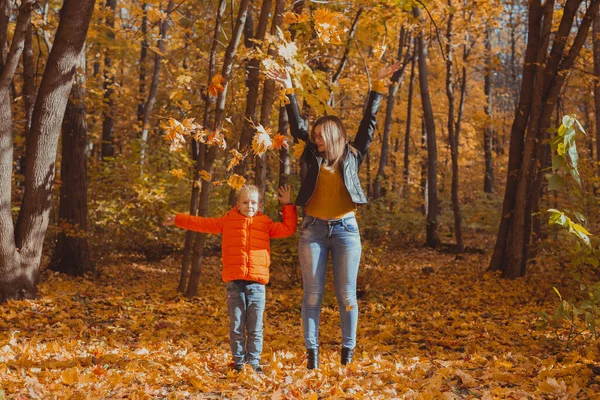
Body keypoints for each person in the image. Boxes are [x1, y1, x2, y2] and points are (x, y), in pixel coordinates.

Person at [268, 62, 401, 369]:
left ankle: (347, 354)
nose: (315, 140)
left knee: (347, 296)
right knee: (312, 296)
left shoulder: (354, 154)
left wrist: (378, 87)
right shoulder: (310, 154)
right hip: (313, 230)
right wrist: (287, 87)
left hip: (346, 231)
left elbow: (369, 122)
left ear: (334, 134)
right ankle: (312, 356)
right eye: (313, 136)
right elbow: (296, 121)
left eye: (320, 136)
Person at [163, 184, 297, 373]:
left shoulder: (265, 223)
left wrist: (288, 205)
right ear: (238, 204)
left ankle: (254, 362)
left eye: (253, 202)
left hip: (257, 284)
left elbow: (288, 228)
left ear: (259, 205)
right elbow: (204, 224)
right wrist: (178, 219)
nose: (249, 206)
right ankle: (239, 363)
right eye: (245, 202)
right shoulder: (228, 220)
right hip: (235, 283)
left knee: (255, 327)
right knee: (236, 326)